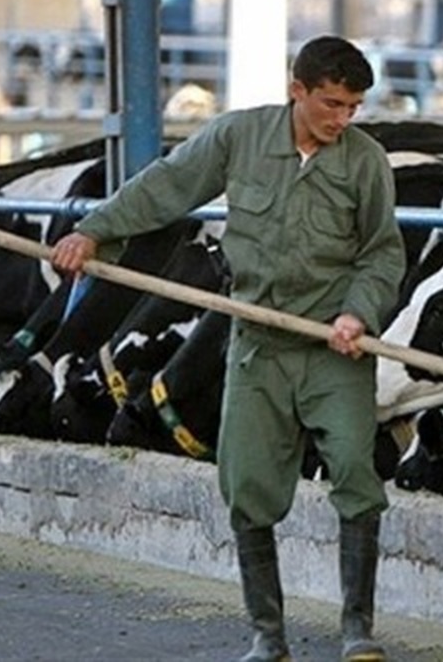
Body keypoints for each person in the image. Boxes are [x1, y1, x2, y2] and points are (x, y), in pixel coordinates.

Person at [51, 35, 406, 662]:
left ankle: (358, 630)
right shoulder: (238, 138)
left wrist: (360, 310)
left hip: (334, 344)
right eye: (331, 104)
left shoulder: (365, 160)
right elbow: (167, 185)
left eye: (353, 108)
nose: (342, 119)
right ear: (296, 89)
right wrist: (93, 231)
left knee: (355, 467)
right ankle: (268, 637)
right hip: (258, 345)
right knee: (246, 484)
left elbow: (382, 251)